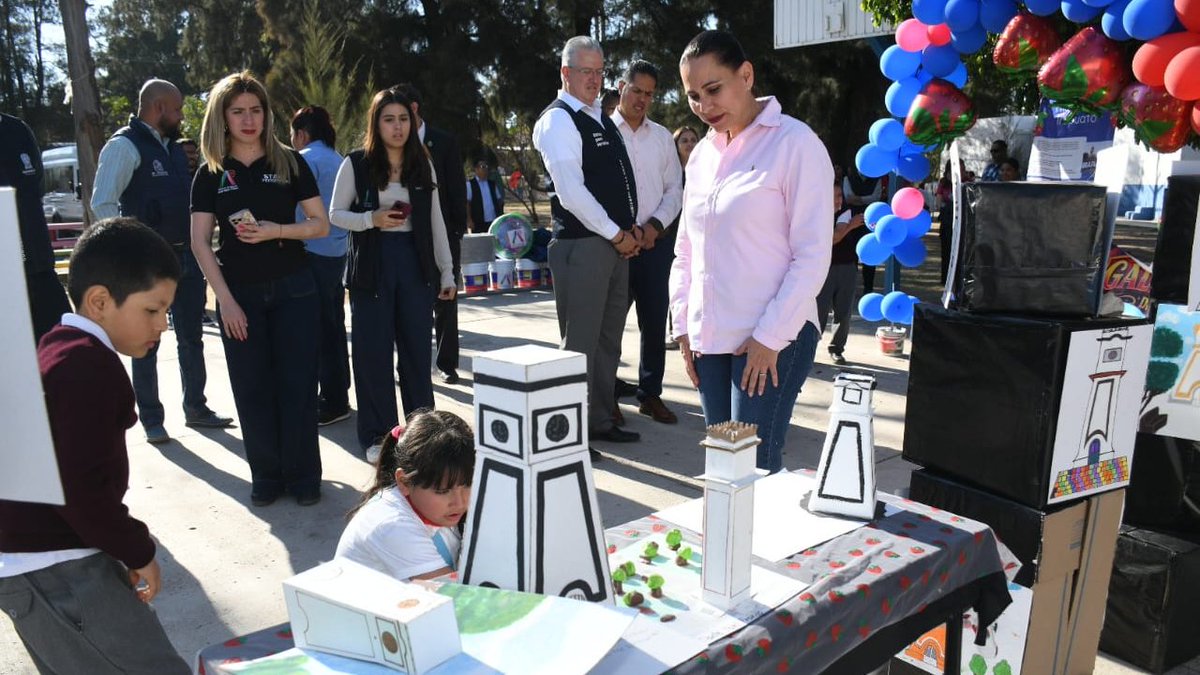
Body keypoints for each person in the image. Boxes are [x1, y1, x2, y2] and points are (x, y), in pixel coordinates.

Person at [0, 218, 191, 673]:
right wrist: (137, 549)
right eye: (151, 310)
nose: (162, 325)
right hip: (55, 565)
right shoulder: (90, 367)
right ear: (100, 301)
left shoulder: (59, 347)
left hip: (40, 560)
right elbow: (78, 487)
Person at [670, 30, 833, 474]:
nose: (704, 106)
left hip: (771, 337)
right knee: (724, 468)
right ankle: (731, 546)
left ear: (746, 75)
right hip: (710, 339)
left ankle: (765, 547)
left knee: (755, 469)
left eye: (713, 89)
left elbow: (813, 255)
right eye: (693, 96)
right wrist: (682, 323)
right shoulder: (701, 155)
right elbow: (687, 247)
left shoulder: (794, 144)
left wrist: (768, 338)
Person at [190, 71, 330, 507]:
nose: (248, 120)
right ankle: (267, 477)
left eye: (256, 110)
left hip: (295, 290)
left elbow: (320, 225)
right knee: (252, 389)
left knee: (299, 386)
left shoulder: (290, 160)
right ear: (223, 117)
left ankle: (304, 476)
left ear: (266, 115)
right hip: (241, 297)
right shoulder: (211, 173)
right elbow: (199, 242)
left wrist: (277, 231)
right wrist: (224, 302)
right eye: (238, 111)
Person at [92, 79, 233, 444]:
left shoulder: (172, 148)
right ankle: (152, 419)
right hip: (147, 265)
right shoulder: (124, 146)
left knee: (192, 337)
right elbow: (103, 203)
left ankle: (196, 408)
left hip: (185, 256)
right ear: (158, 108)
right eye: (176, 108)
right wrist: (127, 249)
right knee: (146, 342)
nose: (180, 115)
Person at [329, 87, 457, 464]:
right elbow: (336, 213)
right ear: (376, 123)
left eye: (404, 119)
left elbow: (436, 220)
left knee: (417, 352)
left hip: (414, 265)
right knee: (373, 354)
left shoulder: (423, 163)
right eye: (389, 119)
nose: (397, 127)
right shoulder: (356, 163)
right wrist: (372, 219)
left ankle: (423, 435)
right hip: (371, 265)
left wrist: (447, 271)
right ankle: (378, 437)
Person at [533, 35, 642, 453]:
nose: (595, 80)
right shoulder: (559, 120)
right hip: (585, 246)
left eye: (599, 72)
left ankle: (598, 420)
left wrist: (627, 235)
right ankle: (566, 437)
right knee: (578, 346)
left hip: (614, 246)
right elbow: (572, 194)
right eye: (585, 72)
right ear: (565, 73)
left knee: (607, 341)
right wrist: (617, 234)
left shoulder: (596, 117)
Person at [611, 59, 683, 425]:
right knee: (608, 327)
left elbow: (675, 190)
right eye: (636, 90)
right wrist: (623, 233)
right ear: (622, 87)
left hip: (655, 247)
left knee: (654, 324)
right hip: (614, 247)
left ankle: (649, 394)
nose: (642, 99)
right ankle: (606, 395)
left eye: (649, 94)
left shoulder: (661, 138)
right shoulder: (604, 132)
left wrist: (652, 228)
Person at [335, 410, 474, 581]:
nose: (460, 502)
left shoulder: (431, 508)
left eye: (468, 484)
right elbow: (458, 598)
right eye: (442, 491)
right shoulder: (393, 527)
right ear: (404, 482)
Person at [392, 83, 468, 386]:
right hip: (406, 234)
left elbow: (456, 186)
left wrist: (457, 230)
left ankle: (447, 363)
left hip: (444, 232)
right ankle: (410, 363)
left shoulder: (444, 142)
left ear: (413, 110)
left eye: (401, 114)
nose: (396, 123)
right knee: (409, 302)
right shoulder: (391, 145)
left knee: (446, 300)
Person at [290, 105, 351, 427]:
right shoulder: (338, 159)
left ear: (301, 133)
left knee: (316, 330)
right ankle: (338, 392)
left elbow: (295, 208)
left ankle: (331, 400)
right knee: (333, 325)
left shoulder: (304, 159)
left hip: (310, 250)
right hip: (337, 251)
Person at [0, 113, 72, 344]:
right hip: (5, 277)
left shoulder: (18, 130)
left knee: (65, 346)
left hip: (38, 265)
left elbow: (35, 187)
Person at [816, 181, 866, 365]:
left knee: (843, 311)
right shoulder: (816, 212)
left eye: (840, 196)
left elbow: (836, 236)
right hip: (823, 268)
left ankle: (836, 349)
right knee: (818, 311)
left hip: (847, 265)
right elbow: (831, 239)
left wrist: (849, 225)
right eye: (834, 196)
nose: (838, 200)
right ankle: (808, 349)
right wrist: (851, 226)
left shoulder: (845, 211)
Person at [663, 125, 699, 353]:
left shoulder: (704, 169)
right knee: (676, 281)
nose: (689, 144)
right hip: (672, 233)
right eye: (684, 140)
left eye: (693, 139)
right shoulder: (672, 173)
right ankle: (674, 329)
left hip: (697, 234)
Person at [842, 162, 884, 295]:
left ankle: (868, 288)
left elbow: (875, 198)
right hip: (852, 221)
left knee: (870, 254)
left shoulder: (877, 180)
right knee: (851, 255)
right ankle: (850, 287)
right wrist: (864, 200)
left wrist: (858, 199)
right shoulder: (848, 179)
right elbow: (848, 198)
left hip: (870, 223)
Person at [466, 155, 505, 234]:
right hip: (478, 222)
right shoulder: (470, 184)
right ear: (476, 169)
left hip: (494, 221)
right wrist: (469, 220)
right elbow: (467, 203)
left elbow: (499, 201)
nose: (485, 169)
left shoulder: (492, 184)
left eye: (487, 167)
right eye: (482, 167)